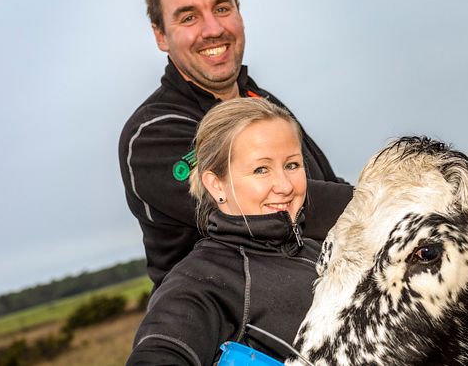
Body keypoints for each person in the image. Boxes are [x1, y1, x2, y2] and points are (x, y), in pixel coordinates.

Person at [118, 0, 352, 288]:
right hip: (227, 327)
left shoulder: (264, 104)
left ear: (239, 13)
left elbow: (329, 186)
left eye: (222, 8)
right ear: (160, 35)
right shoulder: (153, 134)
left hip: (321, 299)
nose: (213, 29)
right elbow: (260, 209)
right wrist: (382, 201)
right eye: (188, 17)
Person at [127, 98, 322, 365]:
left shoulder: (320, 251)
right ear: (216, 185)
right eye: (261, 169)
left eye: (292, 165)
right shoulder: (202, 280)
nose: (285, 185)